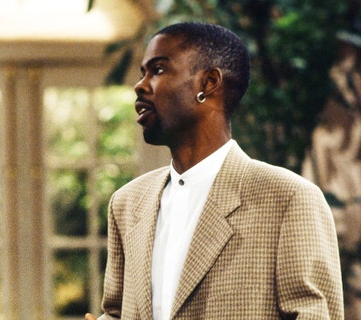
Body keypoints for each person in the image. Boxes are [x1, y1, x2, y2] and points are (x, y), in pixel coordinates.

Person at [85, 22, 344, 319]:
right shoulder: (127, 203)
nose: (140, 85)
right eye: (142, 72)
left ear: (208, 83)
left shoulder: (289, 199)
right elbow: (116, 312)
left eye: (157, 70)